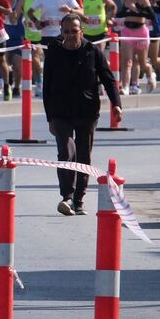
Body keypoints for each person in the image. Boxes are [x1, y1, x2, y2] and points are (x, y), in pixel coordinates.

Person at [42, 13, 124, 215]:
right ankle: (67, 197)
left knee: (83, 156)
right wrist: (50, 117)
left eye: (74, 31)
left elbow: (108, 78)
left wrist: (116, 104)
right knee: (66, 153)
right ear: (61, 32)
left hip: (86, 112)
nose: (70, 35)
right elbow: (47, 86)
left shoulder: (92, 51)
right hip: (61, 112)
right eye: (66, 31)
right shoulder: (54, 52)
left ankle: (79, 200)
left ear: (82, 31)